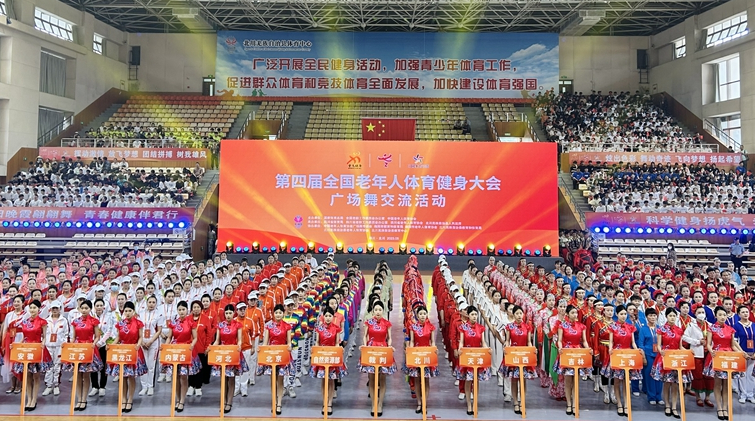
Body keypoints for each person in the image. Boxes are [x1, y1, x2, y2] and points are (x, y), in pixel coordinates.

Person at [703, 306, 745, 420]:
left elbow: (732, 345)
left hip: (728, 357)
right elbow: (708, 344)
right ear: (716, 316)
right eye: (720, 315)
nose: (722, 317)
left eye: (724, 315)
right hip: (717, 356)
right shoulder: (711, 328)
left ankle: (725, 407)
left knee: (726, 385)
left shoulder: (730, 329)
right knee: (717, 384)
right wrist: (711, 351)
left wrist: (741, 353)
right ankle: (719, 407)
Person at [11, 300, 52, 411]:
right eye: (31, 308)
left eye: (34, 307)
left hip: (37, 349)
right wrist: (16, 345)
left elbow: (44, 337)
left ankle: (34, 399)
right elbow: (24, 337)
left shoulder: (42, 322)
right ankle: (29, 399)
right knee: (27, 376)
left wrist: (42, 344)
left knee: (36, 376)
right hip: (26, 350)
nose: (32, 310)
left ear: (39, 309)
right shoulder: (25, 322)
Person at [107, 301, 147, 413]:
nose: (128, 313)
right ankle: (123, 399)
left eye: (130, 311)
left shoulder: (138, 323)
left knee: (131, 377)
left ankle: (130, 399)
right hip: (122, 352)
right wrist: (111, 345)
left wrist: (138, 345)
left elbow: (140, 337)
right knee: (123, 377)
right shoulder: (120, 324)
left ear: (134, 311)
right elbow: (118, 338)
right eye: (126, 311)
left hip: (134, 351)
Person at [161, 300, 200, 413]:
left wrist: (192, 345)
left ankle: (182, 401)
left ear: (187, 310)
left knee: (183, 377)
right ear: (177, 311)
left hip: (186, 351)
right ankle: (177, 399)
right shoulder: (173, 323)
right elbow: (169, 337)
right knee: (176, 377)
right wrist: (165, 346)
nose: (181, 311)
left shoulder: (191, 323)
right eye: (180, 309)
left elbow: (195, 338)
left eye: (183, 309)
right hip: (174, 351)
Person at [358, 300, 395, 417]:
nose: (378, 312)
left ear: (383, 311)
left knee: (382, 379)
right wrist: (365, 345)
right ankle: (373, 403)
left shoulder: (387, 323)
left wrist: (389, 346)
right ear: (373, 311)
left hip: (383, 350)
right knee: (371, 378)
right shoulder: (368, 322)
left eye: (380, 310)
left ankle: (380, 404)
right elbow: (365, 336)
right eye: (376, 310)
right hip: (371, 350)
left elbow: (389, 337)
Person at [604, 305, 642, 417]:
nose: (623, 316)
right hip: (617, 355)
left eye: (625, 314)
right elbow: (611, 342)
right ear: (617, 314)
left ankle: (626, 404)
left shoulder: (630, 327)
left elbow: (633, 342)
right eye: (621, 314)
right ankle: (619, 404)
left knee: (626, 381)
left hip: (628, 355)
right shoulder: (613, 327)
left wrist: (637, 350)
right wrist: (610, 349)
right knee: (617, 381)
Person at [651, 308, 689, 419]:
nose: (672, 318)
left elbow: (680, 346)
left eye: (674, 316)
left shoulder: (679, 330)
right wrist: (661, 351)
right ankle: (667, 405)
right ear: (666, 317)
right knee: (667, 383)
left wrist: (688, 352)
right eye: (670, 316)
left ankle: (674, 407)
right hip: (665, 357)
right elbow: (659, 345)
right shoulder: (661, 329)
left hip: (676, 358)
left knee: (676, 384)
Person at [67, 299, 104, 411]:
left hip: (88, 348)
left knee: (86, 374)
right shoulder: (75, 321)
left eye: (86, 308)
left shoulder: (94, 321)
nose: (84, 310)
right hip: (78, 349)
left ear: (90, 309)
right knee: (78, 375)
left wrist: (93, 343)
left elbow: (97, 336)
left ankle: (84, 399)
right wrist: (70, 345)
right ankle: (79, 399)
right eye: (82, 308)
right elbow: (73, 337)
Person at [212, 304, 248, 414]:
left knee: (231, 379)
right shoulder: (220, 325)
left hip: (233, 353)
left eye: (230, 313)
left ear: (234, 313)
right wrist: (212, 348)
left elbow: (239, 340)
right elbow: (217, 340)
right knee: (223, 379)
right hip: (222, 354)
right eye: (226, 313)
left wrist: (239, 346)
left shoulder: (238, 325)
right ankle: (223, 401)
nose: (228, 315)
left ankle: (229, 402)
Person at [454, 305, 491, 416]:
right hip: (467, 357)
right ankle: (469, 405)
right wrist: (460, 349)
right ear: (468, 316)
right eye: (472, 314)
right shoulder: (463, 327)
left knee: (476, 381)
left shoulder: (481, 328)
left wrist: (487, 349)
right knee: (468, 380)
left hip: (477, 357)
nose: (474, 316)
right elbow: (461, 342)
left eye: (476, 314)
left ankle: (475, 403)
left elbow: (483, 342)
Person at [500, 305, 536, 415]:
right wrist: (506, 346)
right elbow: (507, 340)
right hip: (513, 356)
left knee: (523, 380)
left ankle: (522, 402)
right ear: (513, 314)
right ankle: (515, 402)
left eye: (521, 313)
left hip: (524, 356)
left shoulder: (527, 327)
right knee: (514, 380)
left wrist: (532, 349)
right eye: (517, 313)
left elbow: (529, 342)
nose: (519, 315)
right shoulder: (509, 327)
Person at [258, 303, 294, 416]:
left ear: (283, 313)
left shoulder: (287, 326)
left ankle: (279, 403)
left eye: (280, 313)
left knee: (280, 380)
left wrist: (290, 346)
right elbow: (265, 342)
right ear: (273, 314)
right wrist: (261, 349)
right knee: (272, 380)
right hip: (271, 356)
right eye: (276, 313)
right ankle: (273, 401)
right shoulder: (269, 327)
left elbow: (289, 342)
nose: (278, 314)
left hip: (282, 356)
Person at [555, 304, 589, 416]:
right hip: (567, 353)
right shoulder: (562, 326)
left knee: (576, 381)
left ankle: (575, 403)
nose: (575, 315)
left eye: (576, 313)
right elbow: (559, 340)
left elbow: (584, 341)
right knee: (567, 381)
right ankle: (569, 404)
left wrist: (588, 348)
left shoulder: (582, 326)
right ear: (567, 314)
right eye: (572, 313)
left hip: (577, 353)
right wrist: (560, 348)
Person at [311, 306, 345, 415]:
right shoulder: (319, 329)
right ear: (323, 317)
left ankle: (329, 403)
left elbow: (337, 343)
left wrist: (337, 350)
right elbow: (317, 342)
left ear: (333, 317)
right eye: (326, 316)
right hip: (322, 357)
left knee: (331, 381)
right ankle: (324, 402)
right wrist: (315, 350)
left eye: (330, 316)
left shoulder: (336, 328)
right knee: (323, 381)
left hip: (332, 358)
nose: (328, 318)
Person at [406, 304, 437, 414]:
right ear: (417, 315)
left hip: (427, 355)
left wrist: (434, 350)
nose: (423, 316)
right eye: (421, 314)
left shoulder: (431, 327)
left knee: (426, 380)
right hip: (416, 355)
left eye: (424, 313)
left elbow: (432, 342)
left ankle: (425, 402)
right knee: (417, 380)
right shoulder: (413, 327)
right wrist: (410, 351)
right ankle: (419, 402)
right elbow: (412, 341)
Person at [683, 305, 714, 407]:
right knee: (697, 375)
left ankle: (708, 397)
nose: (701, 314)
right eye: (699, 312)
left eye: (703, 312)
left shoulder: (710, 325)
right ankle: (698, 397)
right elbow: (684, 337)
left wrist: (711, 345)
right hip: (697, 353)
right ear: (695, 314)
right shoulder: (691, 325)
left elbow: (714, 338)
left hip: (708, 353)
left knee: (709, 375)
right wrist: (697, 342)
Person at [139, 295, 164, 396]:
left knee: (151, 366)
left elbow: (159, 330)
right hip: (142, 342)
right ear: (146, 303)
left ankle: (150, 386)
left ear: (156, 304)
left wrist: (150, 341)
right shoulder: (141, 314)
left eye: (153, 302)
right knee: (143, 365)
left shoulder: (159, 315)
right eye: (150, 302)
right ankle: (144, 386)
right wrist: (141, 341)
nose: (151, 304)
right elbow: (138, 329)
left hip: (153, 342)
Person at [43, 300, 68, 397]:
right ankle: (49, 386)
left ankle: (56, 385)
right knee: (49, 366)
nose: (54, 310)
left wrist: (64, 344)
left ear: (60, 309)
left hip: (59, 346)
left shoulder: (64, 320)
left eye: (56, 308)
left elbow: (66, 334)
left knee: (57, 366)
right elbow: (43, 334)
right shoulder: (46, 320)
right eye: (53, 308)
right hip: (48, 346)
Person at [639, 308, 662, 405]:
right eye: (650, 315)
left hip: (659, 355)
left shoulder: (660, 328)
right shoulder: (643, 329)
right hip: (648, 355)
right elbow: (641, 344)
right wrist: (643, 357)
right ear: (646, 317)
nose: (652, 317)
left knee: (659, 376)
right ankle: (651, 396)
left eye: (654, 315)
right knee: (650, 376)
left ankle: (659, 396)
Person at [733, 305, 755, 403]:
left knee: (751, 375)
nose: (745, 314)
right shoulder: (736, 326)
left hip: (753, 353)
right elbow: (734, 341)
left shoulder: (754, 325)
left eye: (747, 312)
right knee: (742, 374)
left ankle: (750, 395)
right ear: (739, 314)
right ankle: (742, 394)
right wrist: (741, 352)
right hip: (742, 353)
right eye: (743, 312)